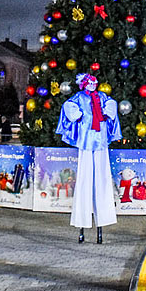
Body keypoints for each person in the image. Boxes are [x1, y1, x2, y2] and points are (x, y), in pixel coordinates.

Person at [56, 73, 121, 244]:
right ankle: (82, 223)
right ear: (84, 84)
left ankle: (102, 222)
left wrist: (108, 112)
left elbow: (111, 104)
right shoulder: (79, 97)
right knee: (84, 181)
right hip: (86, 141)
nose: (93, 85)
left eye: (95, 83)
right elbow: (68, 106)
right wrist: (77, 115)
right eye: (90, 83)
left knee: (103, 180)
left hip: (100, 141)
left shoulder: (102, 96)